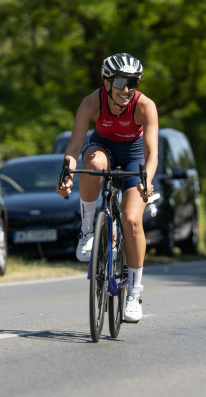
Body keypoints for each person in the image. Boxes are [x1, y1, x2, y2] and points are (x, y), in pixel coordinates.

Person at [56, 52, 159, 323]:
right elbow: (74, 148)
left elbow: (152, 155)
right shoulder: (92, 102)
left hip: (135, 157)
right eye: (121, 82)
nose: (126, 89)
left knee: (132, 220)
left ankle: (135, 293)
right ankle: (88, 231)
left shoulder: (145, 106)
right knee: (93, 164)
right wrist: (65, 173)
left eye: (132, 83)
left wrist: (147, 180)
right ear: (106, 82)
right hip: (103, 149)